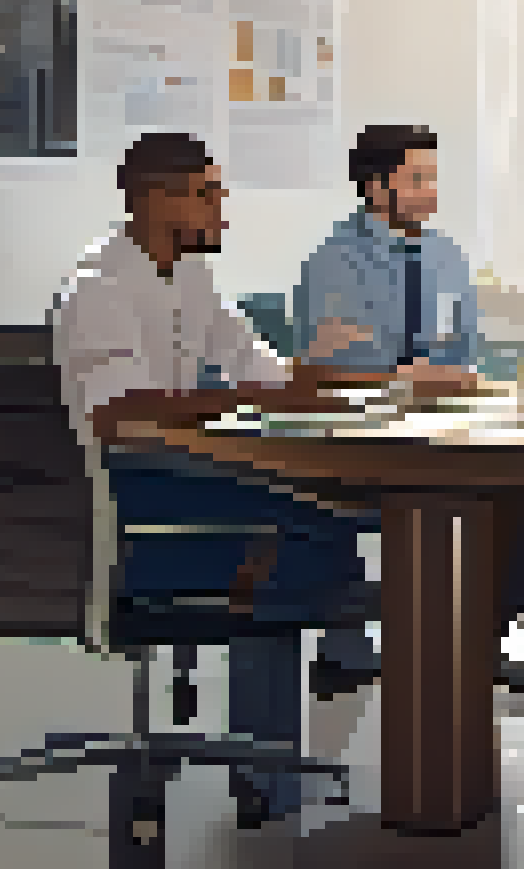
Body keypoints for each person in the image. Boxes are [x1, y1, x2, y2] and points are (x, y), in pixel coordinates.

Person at [51, 132, 380, 827]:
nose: (221, 207)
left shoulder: (188, 279)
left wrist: (370, 391)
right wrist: (235, 403)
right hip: (123, 495)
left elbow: (259, 369)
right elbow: (117, 416)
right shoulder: (100, 285)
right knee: (303, 530)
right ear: (154, 199)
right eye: (206, 193)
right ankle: (270, 767)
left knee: (322, 518)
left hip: (170, 477)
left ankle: (269, 771)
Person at [291, 125, 524, 709]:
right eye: (418, 179)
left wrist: (460, 381)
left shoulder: (446, 257)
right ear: (375, 186)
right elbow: (336, 368)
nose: (431, 193)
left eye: (433, 178)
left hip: (446, 423)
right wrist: (406, 376)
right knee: (451, 501)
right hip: (362, 434)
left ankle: (478, 640)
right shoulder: (334, 262)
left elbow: (463, 352)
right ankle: (369, 648)